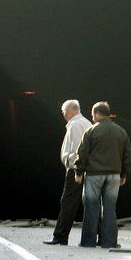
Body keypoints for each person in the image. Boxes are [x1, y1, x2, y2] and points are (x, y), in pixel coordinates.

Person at [74, 102, 131, 249]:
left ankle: (88, 242)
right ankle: (109, 242)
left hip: (94, 175)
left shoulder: (91, 131)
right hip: (114, 175)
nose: (92, 117)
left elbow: (82, 153)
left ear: (97, 114)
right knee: (109, 208)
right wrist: (124, 174)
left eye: (93, 114)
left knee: (91, 208)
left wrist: (79, 172)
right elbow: (128, 156)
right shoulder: (121, 131)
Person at [44, 100, 93, 245]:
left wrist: (76, 168)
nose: (63, 114)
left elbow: (79, 149)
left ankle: (60, 236)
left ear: (70, 111)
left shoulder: (76, 124)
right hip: (85, 168)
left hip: (76, 169)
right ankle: (97, 236)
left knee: (68, 203)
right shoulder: (87, 123)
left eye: (63, 111)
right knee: (91, 202)